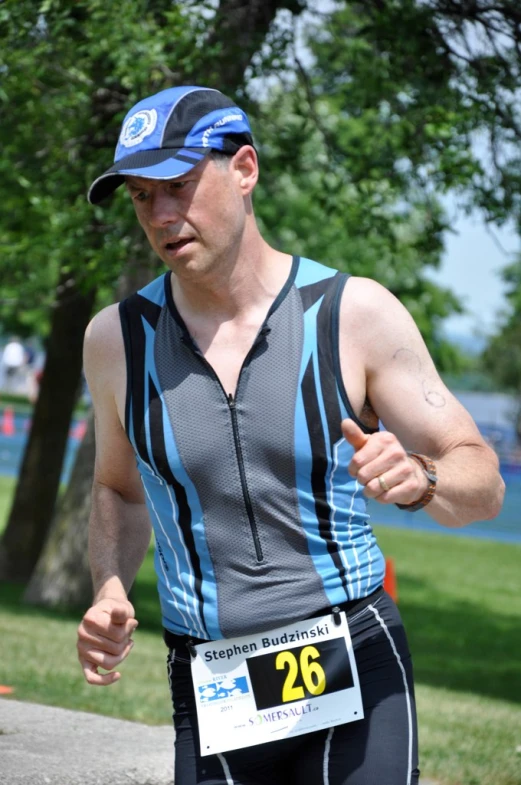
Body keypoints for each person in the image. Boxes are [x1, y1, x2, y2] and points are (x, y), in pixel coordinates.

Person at [77, 85, 505, 785]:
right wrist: (108, 588)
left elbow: (480, 480)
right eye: (140, 196)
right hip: (214, 679)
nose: (160, 215)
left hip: (350, 661)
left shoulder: (352, 313)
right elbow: (119, 489)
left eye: (178, 186)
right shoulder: (116, 340)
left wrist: (423, 479)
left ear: (243, 169)